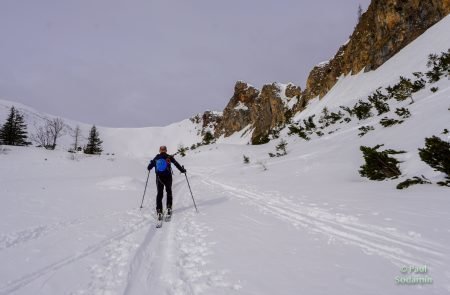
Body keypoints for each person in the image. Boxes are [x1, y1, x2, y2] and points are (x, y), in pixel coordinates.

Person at [147, 145, 186, 220]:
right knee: (169, 191)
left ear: (159, 150)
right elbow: (176, 164)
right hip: (168, 177)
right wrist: (182, 170)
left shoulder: (156, 158)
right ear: (166, 150)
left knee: (159, 194)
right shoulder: (169, 157)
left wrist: (150, 165)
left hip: (159, 178)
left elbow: (149, 167)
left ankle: (159, 211)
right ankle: (168, 207)